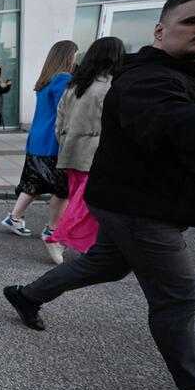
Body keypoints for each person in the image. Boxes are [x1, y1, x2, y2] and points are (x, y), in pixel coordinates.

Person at [3, 0, 195, 390]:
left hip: (115, 185)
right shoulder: (141, 80)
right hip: (138, 205)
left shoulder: (188, 75)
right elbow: (174, 128)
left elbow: (65, 116)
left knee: (103, 263)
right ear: (161, 31)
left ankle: (28, 293)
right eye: (194, 21)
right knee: (178, 300)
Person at [0, 40, 77, 265]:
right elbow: (67, 112)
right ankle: (52, 230)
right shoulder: (64, 80)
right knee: (62, 190)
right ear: (68, 57)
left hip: (37, 140)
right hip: (53, 143)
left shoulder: (44, 80)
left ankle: (14, 218)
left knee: (33, 183)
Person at [48, 36, 125, 254]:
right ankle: (57, 237)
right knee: (86, 205)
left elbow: (59, 121)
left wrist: (65, 141)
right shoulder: (109, 87)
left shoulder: (74, 85)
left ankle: (85, 245)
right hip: (94, 154)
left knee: (79, 200)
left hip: (71, 150)